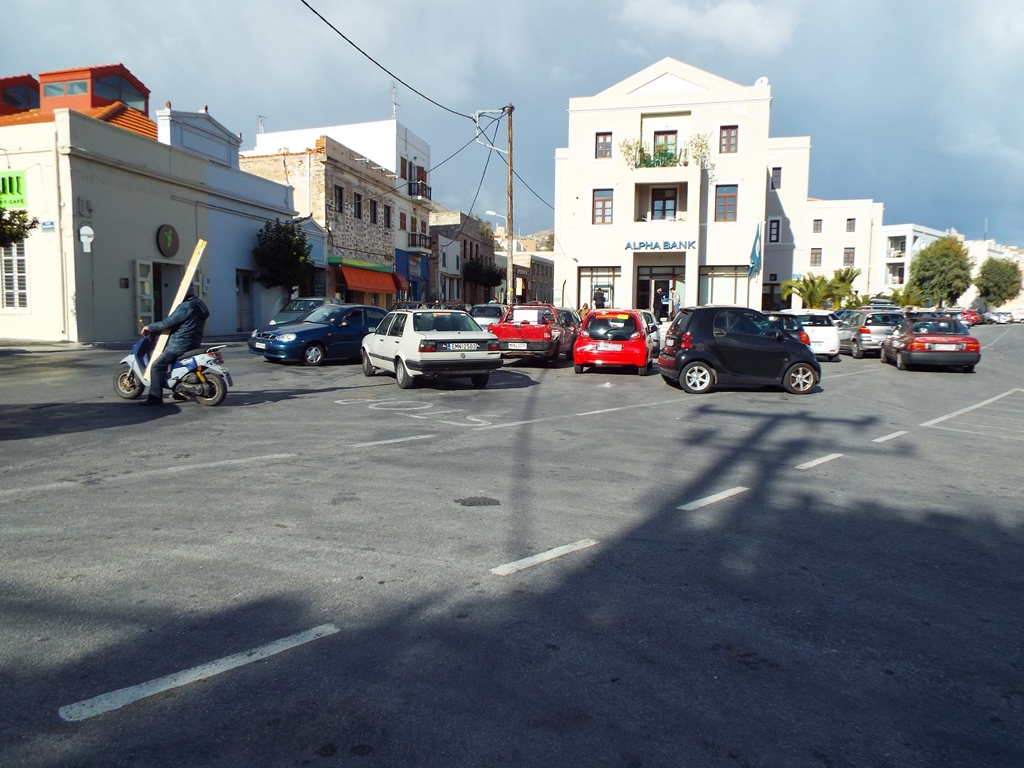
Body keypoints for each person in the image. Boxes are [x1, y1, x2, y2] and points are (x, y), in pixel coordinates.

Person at [140, 285, 210, 405]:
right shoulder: (199, 304)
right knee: (176, 365)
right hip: (194, 342)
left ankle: (155, 397)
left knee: (157, 365)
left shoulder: (185, 307)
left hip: (180, 344)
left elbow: (167, 323)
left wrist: (149, 327)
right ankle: (180, 392)